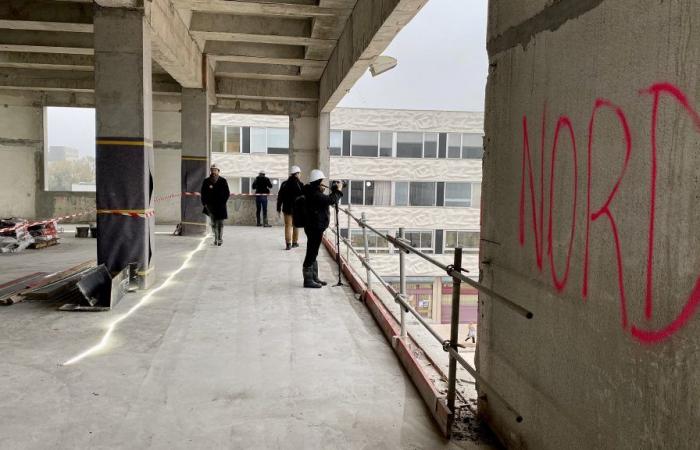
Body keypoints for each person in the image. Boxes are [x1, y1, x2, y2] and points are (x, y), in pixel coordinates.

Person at [302, 169, 343, 288]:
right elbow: (330, 200)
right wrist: (338, 190)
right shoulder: (315, 194)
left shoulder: (310, 191)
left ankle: (314, 277)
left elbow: (323, 200)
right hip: (315, 227)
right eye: (321, 181)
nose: (322, 183)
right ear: (318, 181)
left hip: (312, 226)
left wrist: (324, 191)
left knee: (313, 251)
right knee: (311, 252)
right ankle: (308, 280)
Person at [200, 164, 230, 246]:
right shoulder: (206, 181)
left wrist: (223, 202)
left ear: (218, 171)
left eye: (215, 170)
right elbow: (203, 193)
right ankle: (216, 239)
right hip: (210, 206)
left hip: (221, 206)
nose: (213, 171)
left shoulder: (223, 181)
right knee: (213, 223)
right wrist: (204, 203)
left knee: (220, 223)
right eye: (212, 170)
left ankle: (220, 239)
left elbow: (227, 193)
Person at [276, 166, 304, 250]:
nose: (300, 175)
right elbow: (303, 197)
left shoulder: (284, 184)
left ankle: (288, 244)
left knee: (288, 226)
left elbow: (280, 197)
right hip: (296, 209)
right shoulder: (300, 184)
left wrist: (278, 208)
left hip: (287, 209)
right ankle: (295, 243)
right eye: (299, 173)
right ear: (296, 174)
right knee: (296, 225)